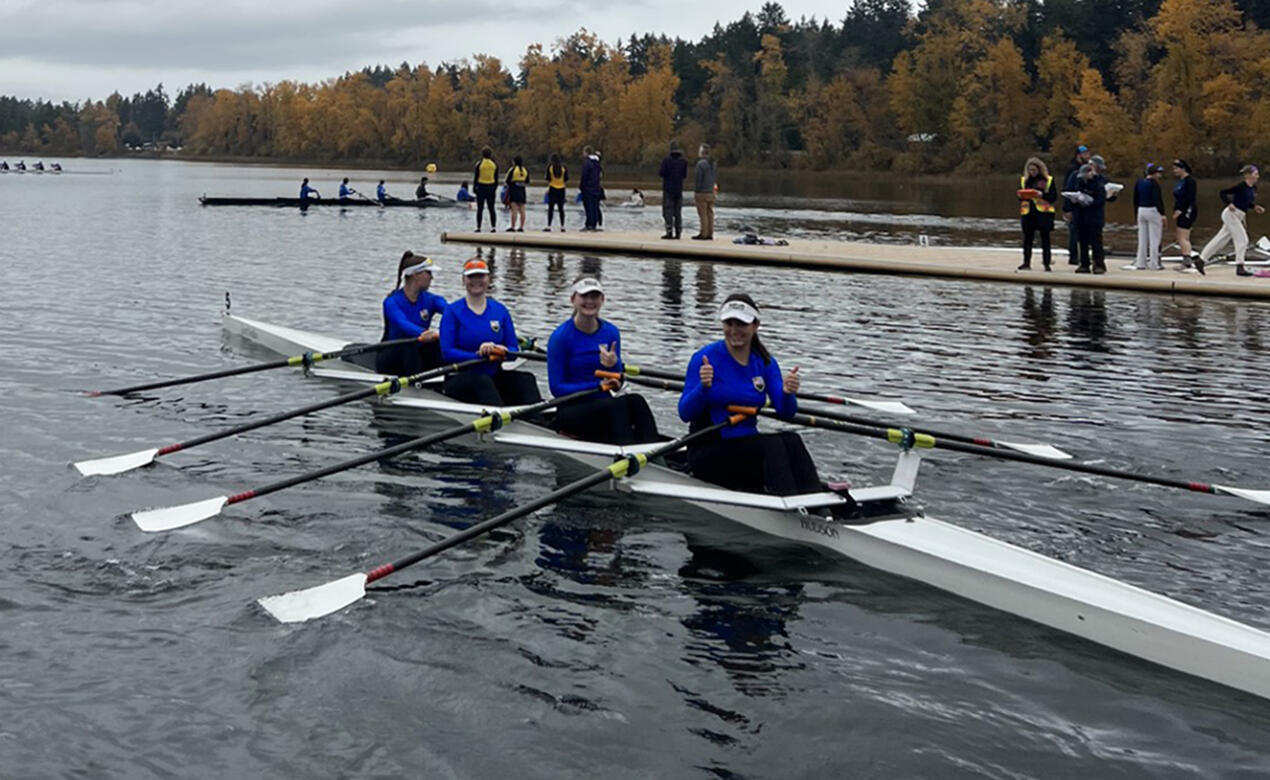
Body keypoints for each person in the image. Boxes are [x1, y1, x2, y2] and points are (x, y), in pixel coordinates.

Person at [678, 294, 820, 495]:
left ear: (755, 326)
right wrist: (703, 387)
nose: (734, 331)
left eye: (741, 324)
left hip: (746, 449)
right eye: (729, 323)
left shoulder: (765, 362)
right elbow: (684, 413)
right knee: (772, 445)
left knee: (791, 440)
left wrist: (788, 393)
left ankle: (815, 504)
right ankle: (791, 508)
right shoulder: (705, 358)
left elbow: (786, 413)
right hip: (707, 451)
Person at [547, 277, 659, 445]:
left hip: (603, 405)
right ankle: (627, 452)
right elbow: (556, 388)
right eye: (584, 297)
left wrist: (614, 365)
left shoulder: (611, 333)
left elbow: (618, 381)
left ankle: (654, 453)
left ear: (602, 300)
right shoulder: (560, 338)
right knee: (616, 406)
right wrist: (596, 386)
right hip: (571, 410)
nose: (590, 301)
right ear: (573, 300)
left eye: (595, 296)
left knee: (637, 401)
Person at [439, 258, 542, 406]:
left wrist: (503, 350)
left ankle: (538, 419)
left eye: (480, 276)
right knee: (482, 381)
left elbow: (513, 350)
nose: (476, 281)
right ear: (463, 280)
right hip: (460, 377)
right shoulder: (452, 312)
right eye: (471, 277)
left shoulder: (500, 310)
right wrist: (479, 354)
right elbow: (447, 353)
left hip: (493, 374)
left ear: (489, 279)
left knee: (526, 379)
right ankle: (503, 419)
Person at [377, 252, 447, 376]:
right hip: (391, 358)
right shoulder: (392, 302)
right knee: (409, 345)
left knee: (439, 344)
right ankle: (417, 386)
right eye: (429, 273)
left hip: (416, 354)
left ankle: (443, 382)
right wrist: (423, 333)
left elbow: (451, 311)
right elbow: (402, 324)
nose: (432, 278)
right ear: (416, 275)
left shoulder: (431, 300)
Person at [1199, 164, 1265, 277]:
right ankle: (1240, 266)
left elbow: (1245, 202)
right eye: (1255, 174)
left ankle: (1201, 260)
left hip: (1239, 215)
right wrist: (1229, 203)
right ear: (1248, 175)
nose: (1257, 176)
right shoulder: (1241, 186)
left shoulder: (1253, 188)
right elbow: (1223, 193)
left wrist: (1254, 207)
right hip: (1231, 214)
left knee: (1221, 239)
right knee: (1243, 240)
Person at [1017, 157, 1057, 271]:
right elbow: (1019, 196)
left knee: (1045, 239)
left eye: (1034, 170)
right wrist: (1021, 195)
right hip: (1028, 212)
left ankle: (1046, 263)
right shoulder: (1024, 180)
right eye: (1030, 170)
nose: (1032, 173)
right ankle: (1026, 262)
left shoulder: (1048, 180)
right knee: (1027, 239)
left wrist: (1042, 194)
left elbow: (1053, 197)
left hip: (1044, 213)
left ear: (1039, 169)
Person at [1072, 163, 1108, 274]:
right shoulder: (1079, 182)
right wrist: (1075, 201)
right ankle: (1084, 264)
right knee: (1082, 242)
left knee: (1096, 242)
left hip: (1094, 217)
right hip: (1081, 216)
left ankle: (1099, 264)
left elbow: (1101, 201)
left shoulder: (1099, 184)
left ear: (1091, 173)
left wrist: (1090, 202)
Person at [1132, 164, 1167, 270]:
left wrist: (1136, 213)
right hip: (1152, 210)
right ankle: (1154, 263)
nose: (1160, 175)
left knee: (1142, 239)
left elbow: (1135, 199)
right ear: (1154, 174)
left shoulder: (1139, 182)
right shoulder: (1154, 185)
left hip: (1141, 210)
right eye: (1158, 173)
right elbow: (1157, 200)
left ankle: (1140, 262)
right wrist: (1162, 213)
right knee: (1155, 239)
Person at [1062, 145, 1092, 265]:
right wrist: (1067, 208)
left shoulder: (1087, 168)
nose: (1088, 156)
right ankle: (1073, 256)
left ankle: (1082, 254)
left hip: (1083, 205)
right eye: (1085, 154)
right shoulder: (1072, 169)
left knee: (1083, 231)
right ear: (1078, 155)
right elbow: (1067, 189)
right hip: (1073, 204)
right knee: (1074, 231)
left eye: (1088, 153)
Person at [1172, 159, 1201, 273]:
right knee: (1180, 236)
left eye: (1176, 168)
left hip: (1188, 210)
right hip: (1181, 210)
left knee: (1183, 237)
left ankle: (1187, 261)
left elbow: (1189, 198)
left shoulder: (1190, 181)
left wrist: (1181, 210)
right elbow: (1178, 197)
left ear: (1183, 168)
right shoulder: (1181, 181)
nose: (1174, 171)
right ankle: (1186, 259)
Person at [658, 140, 688, 239]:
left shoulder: (666, 160)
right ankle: (678, 232)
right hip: (679, 190)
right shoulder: (683, 162)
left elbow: (661, 173)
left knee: (667, 211)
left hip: (668, 189)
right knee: (678, 212)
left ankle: (669, 231)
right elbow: (684, 175)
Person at [693, 144, 717, 240]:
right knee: (710, 213)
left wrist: (696, 191)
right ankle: (710, 233)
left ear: (702, 152)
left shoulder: (700, 164)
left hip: (702, 192)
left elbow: (698, 179)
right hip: (711, 192)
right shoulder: (713, 163)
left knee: (703, 214)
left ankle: (703, 233)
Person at [472, 147, 499, 232]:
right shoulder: (494, 165)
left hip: (481, 186)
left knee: (480, 208)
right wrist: (494, 188)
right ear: (490, 155)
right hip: (491, 187)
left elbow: (476, 177)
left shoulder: (479, 164)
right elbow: (496, 178)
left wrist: (474, 188)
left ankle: (478, 227)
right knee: (492, 208)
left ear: (482, 154)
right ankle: (493, 227)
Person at [580, 145, 603, 231]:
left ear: (586, 152)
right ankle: (594, 224)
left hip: (588, 188)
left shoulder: (587, 163)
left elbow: (584, 176)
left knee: (588, 206)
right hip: (596, 188)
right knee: (594, 206)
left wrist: (582, 186)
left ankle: (589, 224)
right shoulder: (597, 163)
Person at [544, 153, 568, 232]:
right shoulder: (564, 168)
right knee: (561, 209)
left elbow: (548, 179)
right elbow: (566, 179)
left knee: (551, 208)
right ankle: (562, 226)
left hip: (552, 188)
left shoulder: (550, 168)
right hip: (561, 189)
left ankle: (549, 226)